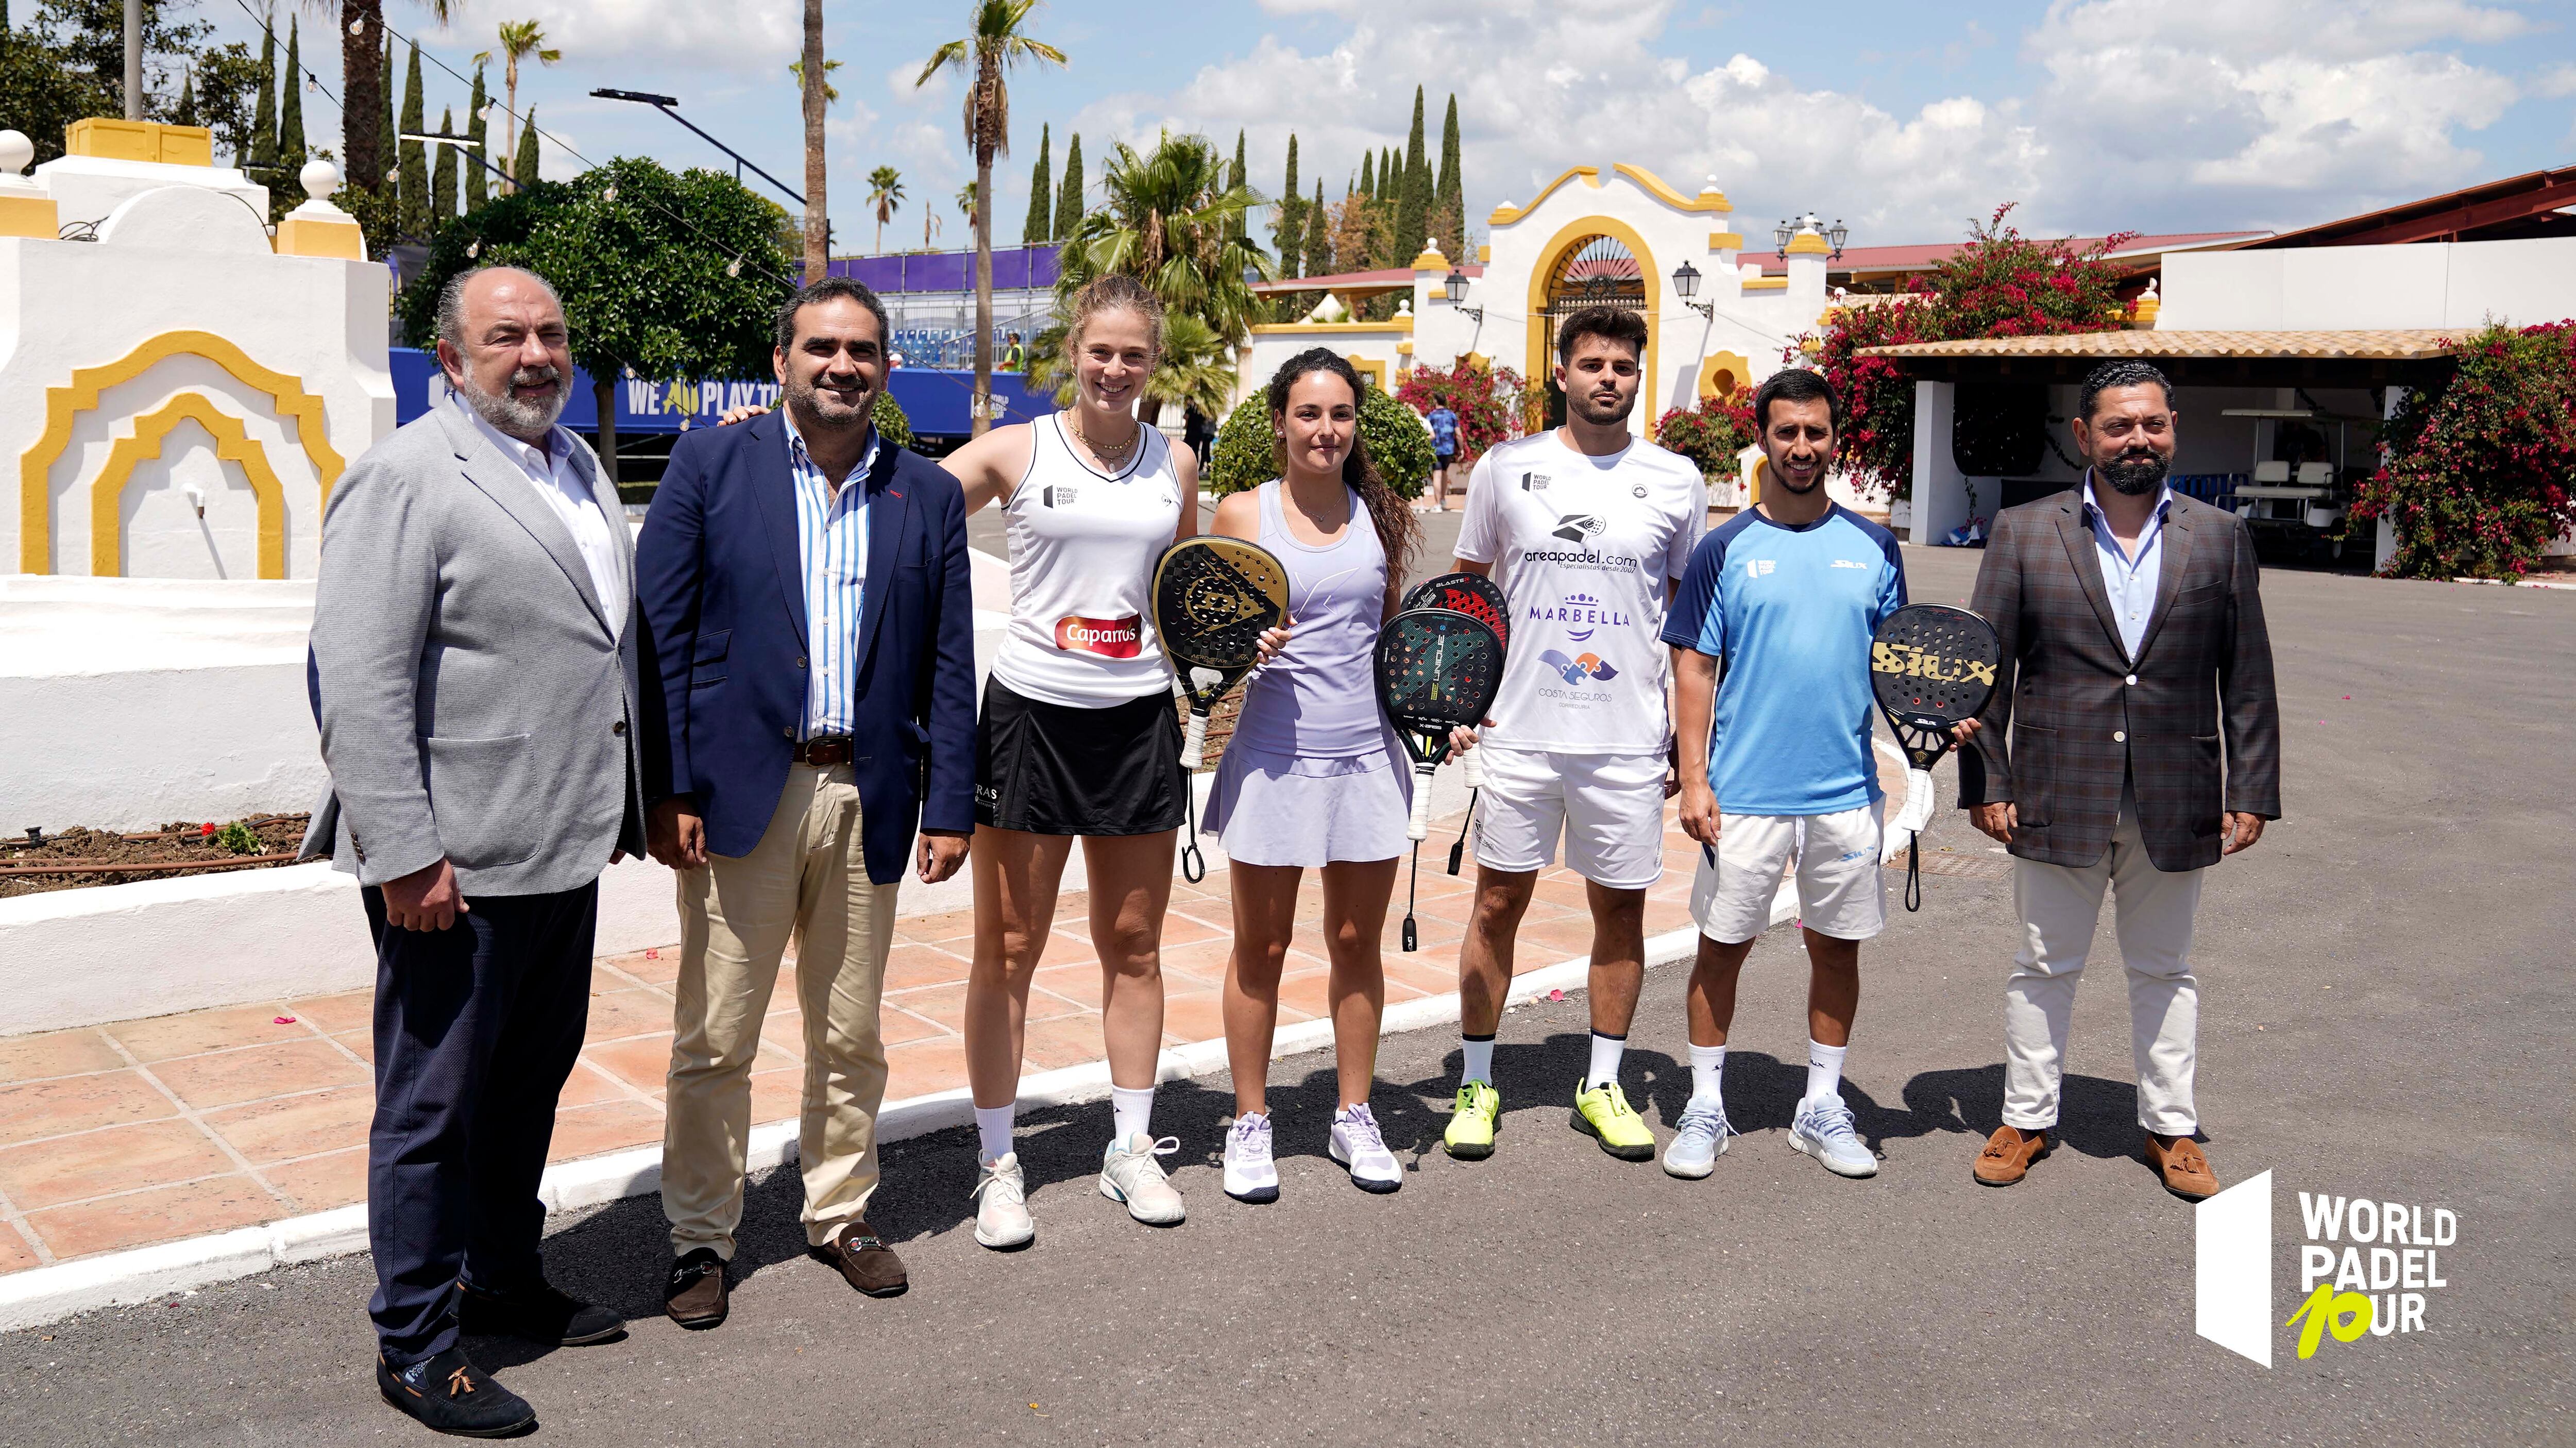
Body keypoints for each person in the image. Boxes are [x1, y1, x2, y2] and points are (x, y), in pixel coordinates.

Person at [300, 265, 642, 1438]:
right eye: (506, 337)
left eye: (551, 331)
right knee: (433, 1107)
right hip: (455, 859)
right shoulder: (406, 477)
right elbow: (357, 681)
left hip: (563, 841)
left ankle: (499, 1275)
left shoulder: (576, 465)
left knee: (525, 1087)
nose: (536, 353)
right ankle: (416, 1341)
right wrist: (403, 851)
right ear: (450, 359)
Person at [634, 276, 976, 1330]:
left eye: (862, 350)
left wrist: (950, 802)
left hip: (868, 790)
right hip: (744, 793)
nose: (842, 365)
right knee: (716, 1032)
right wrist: (671, 788)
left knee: (850, 1028)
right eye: (821, 346)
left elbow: (948, 658)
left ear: (885, 367)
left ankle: (839, 1213)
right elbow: (665, 636)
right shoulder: (712, 461)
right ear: (782, 359)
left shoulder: (925, 492)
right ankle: (701, 1234)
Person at [1953, 359, 2280, 1200]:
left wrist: (2252, 789)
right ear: (2084, 436)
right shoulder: (2026, 534)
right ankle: (2026, 1117)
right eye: (2119, 425)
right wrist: (1987, 778)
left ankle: (2171, 1127)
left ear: (2173, 427)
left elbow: (2247, 675)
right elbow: (1987, 666)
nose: (2139, 438)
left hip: (2177, 792)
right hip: (2055, 789)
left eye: (2153, 423)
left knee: (2166, 968)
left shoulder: (2219, 537)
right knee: (2042, 962)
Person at [939, 274, 1202, 1245]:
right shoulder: (1017, 449)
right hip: (1029, 721)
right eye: (1101, 350)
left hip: (1136, 724)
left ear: (1153, 362)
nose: (1116, 368)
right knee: (1009, 950)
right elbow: (905, 506)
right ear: (1074, 351)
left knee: (1132, 946)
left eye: (1134, 354)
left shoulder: (1176, 460)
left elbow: (1184, 591)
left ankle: (1129, 1147)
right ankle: (998, 1164)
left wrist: (1225, 654)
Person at [1440, 305, 1706, 1162]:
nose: (1607, 379)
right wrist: (1458, 697)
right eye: (1591, 364)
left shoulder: (1676, 480)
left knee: (1617, 911)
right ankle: (1478, 1082)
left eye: (1622, 367)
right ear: (1561, 373)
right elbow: (1468, 589)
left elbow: (1691, 622)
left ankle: (1602, 1082)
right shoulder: (1506, 469)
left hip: (1627, 738)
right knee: (1495, 903)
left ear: (1637, 377)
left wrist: (1686, 743)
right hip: (1518, 731)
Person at [1662, 369, 1906, 1182]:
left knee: (1837, 952)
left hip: (1843, 795)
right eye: (1786, 433)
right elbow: (1694, 667)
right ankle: (1704, 1103)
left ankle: (1822, 1106)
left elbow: (1896, 665)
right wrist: (1695, 780)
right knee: (1721, 948)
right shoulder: (1724, 548)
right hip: (1746, 797)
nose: (1802, 448)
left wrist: (1937, 719)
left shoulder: (1874, 545)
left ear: (1835, 439)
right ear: (1760, 439)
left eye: (1816, 433)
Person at [1205, 349, 1420, 1202]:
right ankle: (1251, 1121)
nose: (1325, 430)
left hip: (1369, 756)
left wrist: (1438, 718)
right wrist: (1238, 647)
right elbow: (1210, 642)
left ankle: (1353, 1113)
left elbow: (1392, 638)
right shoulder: (1242, 513)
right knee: (1260, 947)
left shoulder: (1382, 515)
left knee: (1352, 944)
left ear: (1354, 423)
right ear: (1280, 423)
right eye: (1309, 414)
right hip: (1271, 761)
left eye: (1339, 414)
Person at [1425, 400, 1461, 510]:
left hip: (1435, 449)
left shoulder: (1431, 416)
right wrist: (1461, 448)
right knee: (1444, 472)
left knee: (1437, 474)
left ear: (1435, 401)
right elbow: (1458, 434)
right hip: (1448, 449)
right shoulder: (1452, 415)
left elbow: (1427, 431)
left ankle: (1437, 504)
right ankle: (1443, 499)